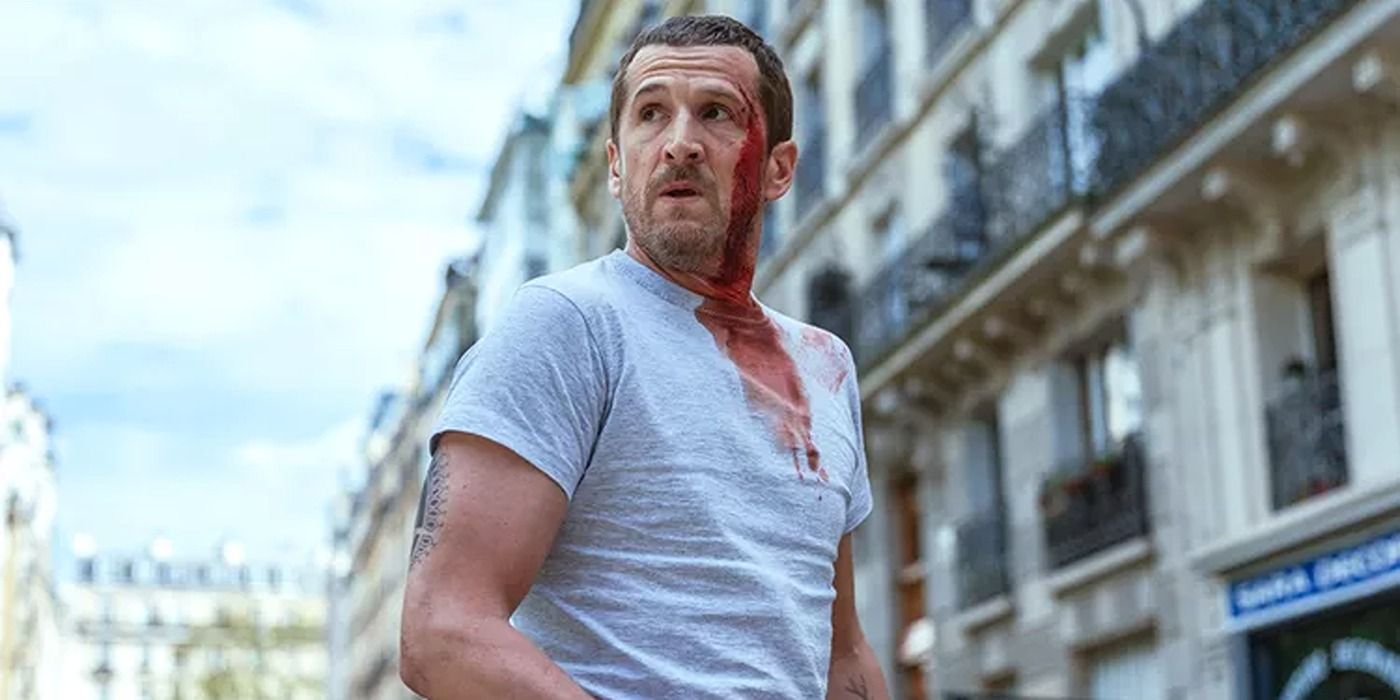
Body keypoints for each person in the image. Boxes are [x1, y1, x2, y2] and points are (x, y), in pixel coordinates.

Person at [399, 14, 891, 700]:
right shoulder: (565, 324)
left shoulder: (825, 365)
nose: (680, 143)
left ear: (779, 168)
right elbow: (442, 631)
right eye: (652, 114)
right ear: (614, 163)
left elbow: (842, 653)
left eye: (716, 113)